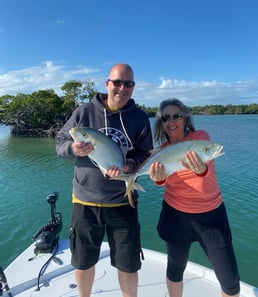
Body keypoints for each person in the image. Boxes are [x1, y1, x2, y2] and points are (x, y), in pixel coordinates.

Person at [56, 63, 153, 297]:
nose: (122, 88)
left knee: (128, 264)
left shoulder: (139, 118)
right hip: (85, 201)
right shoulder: (84, 112)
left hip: (123, 201)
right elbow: (60, 143)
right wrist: (74, 149)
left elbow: (145, 154)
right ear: (107, 83)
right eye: (117, 82)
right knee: (83, 261)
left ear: (133, 87)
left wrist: (128, 165)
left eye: (128, 84)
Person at [148, 98, 240, 297]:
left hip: (211, 216)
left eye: (177, 116)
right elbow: (162, 180)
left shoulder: (201, 138)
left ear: (185, 118)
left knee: (230, 281)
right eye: (166, 118)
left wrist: (201, 169)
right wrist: (158, 179)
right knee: (175, 270)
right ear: (161, 123)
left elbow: (207, 168)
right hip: (175, 215)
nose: (172, 121)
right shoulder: (161, 152)